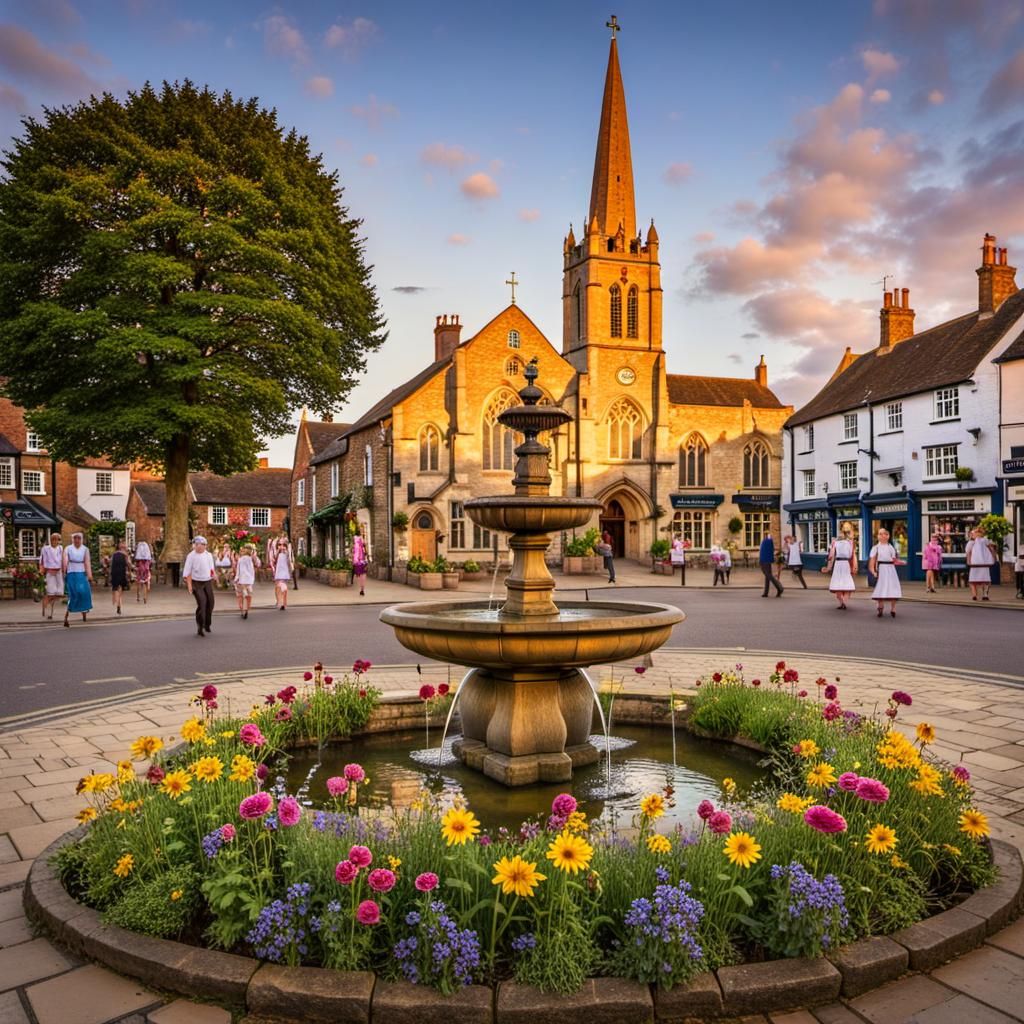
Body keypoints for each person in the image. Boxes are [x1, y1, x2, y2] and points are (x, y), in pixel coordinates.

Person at [183, 536, 216, 637]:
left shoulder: (208, 555)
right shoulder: (191, 556)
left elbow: (211, 569)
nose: (200, 547)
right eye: (197, 545)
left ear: (205, 546)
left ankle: (207, 624)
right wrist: (189, 586)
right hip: (196, 583)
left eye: (202, 545)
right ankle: (200, 627)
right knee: (202, 603)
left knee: (210, 603)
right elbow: (187, 572)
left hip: (207, 581)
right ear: (195, 546)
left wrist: (214, 576)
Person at [869, 527, 902, 618]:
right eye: (879, 534)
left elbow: (894, 560)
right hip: (881, 569)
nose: (881, 536)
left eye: (882, 534)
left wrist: (901, 562)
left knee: (893, 588)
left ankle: (893, 608)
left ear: (887, 536)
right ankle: (880, 607)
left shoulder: (891, 547)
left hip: (891, 570)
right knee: (880, 588)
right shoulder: (875, 548)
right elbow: (872, 562)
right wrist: (873, 572)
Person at [62, 533, 93, 627]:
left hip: (81, 572)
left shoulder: (85, 549)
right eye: (75, 538)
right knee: (73, 594)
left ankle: (84, 612)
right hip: (71, 572)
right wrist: (64, 572)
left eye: (79, 538)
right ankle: (66, 616)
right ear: (72, 539)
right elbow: (65, 560)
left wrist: (89, 575)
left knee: (84, 593)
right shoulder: (68, 548)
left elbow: (87, 562)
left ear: (81, 539)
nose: (77, 540)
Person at [824, 526, 857, 610]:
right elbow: (852, 555)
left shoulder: (835, 543)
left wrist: (828, 567)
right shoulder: (850, 543)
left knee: (837, 583)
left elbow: (831, 556)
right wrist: (855, 567)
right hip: (846, 563)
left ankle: (842, 602)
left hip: (838, 564)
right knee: (847, 583)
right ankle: (843, 602)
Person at [966, 527, 998, 601]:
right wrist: (993, 558)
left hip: (975, 563)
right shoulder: (985, 540)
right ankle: (984, 595)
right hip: (983, 563)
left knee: (974, 580)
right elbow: (992, 549)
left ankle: (975, 595)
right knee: (984, 579)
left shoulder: (972, 542)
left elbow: (968, 552)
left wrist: (968, 561)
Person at [38, 533, 63, 620]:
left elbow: (63, 559)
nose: (56, 541)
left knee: (59, 593)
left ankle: (48, 604)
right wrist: (41, 570)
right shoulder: (45, 549)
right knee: (51, 593)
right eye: (54, 539)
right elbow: (42, 560)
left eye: (58, 539)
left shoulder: (61, 548)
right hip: (50, 571)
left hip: (59, 571)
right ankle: (49, 612)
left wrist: (65, 569)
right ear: (51, 540)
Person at [233, 543, 260, 620]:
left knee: (242, 594)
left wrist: (236, 579)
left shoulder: (241, 559)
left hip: (243, 578)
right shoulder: (252, 558)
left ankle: (243, 610)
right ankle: (246, 610)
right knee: (248, 592)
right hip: (250, 578)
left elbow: (239, 570)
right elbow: (258, 564)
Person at [108, 539, 132, 616]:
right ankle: (119, 604)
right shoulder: (126, 555)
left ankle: (117, 602)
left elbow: (110, 563)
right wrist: (130, 571)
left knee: (115, 588)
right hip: (122, 572)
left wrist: (109, 573)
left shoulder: (114, 554)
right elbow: (129, 564)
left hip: (114, 573)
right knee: (120, 589)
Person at [759, 530, 784, 597]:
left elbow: (766, 551)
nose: (764, 535)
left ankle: (779, 588)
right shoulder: (766, 541)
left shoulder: (767, 541)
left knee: (769, 575)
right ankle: (766, 592)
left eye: (766, 534)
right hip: (766, 560)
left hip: (764, 560)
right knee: (767, 576)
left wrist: (761, 560)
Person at [273, 538, 294, 609]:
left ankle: (282, 602)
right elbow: (274, 559)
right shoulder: (277, 552)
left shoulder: (287, 552)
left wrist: (286, 551)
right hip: (278, 572)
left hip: (284, 572)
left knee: (281, 585)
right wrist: (278, 551)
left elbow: (290, 559)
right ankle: (281, 602)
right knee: (278, 586)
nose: (281, 546)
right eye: (279, 545)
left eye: (283, 545)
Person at [134, 538, 152, 603]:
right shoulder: (147, 548)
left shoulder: (138, 547)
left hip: (139, 570)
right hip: (146, 570)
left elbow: (136, 562)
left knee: (138, 583)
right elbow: (150, 562)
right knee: (145, 583)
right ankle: (145, 597)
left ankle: (138, 596)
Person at [352, 528, 368, 597]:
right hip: (362, 560)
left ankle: (361, 588)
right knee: (363, 574)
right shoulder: (362, 539)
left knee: (359, 575)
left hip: (356, 560)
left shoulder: (353, 539)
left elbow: (352, 549)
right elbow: (366, 550)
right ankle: (362, 589)